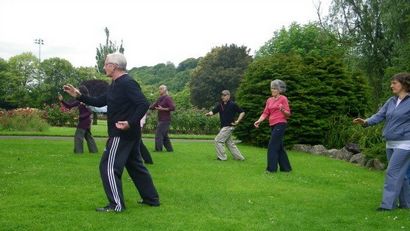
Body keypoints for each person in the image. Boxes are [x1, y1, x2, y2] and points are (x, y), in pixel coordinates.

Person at [63, 53, 160, 212]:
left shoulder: (127, 83)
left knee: (107, 167)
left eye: (106, 63)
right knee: (136, 166)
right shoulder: (115, 84)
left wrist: (129, 122)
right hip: (130, 135)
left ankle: (116, 205)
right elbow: (99, 101)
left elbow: (143, 104)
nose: (104, 66)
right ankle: (152, 199)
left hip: (122, 134)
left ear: (114, 66)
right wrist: (79, 96)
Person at [353, 72, 410, 211]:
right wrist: (365, 122)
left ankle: (387, 206)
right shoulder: (391, 101)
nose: (391, 86)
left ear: (404, 84)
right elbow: (379, 116)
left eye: (394, 83)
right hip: (390, 142)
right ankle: (406, 204)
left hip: (405, 143)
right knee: (402, 175)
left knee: (392, 172)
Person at [254, 79, 292, 173]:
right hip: (272, 125)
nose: (272, 90)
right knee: (279, 147)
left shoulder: (283, 98)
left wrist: (282, 110)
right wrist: (259, 121)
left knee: (272, 146)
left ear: (279, 90)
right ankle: (286, 169)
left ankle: (271, 169)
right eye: (272, 88)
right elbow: (265, 113)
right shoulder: (269, 100)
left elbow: (288, 114)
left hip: (281, 123)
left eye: (275, 88)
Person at [205, 90, 245, 161]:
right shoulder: (220, 105)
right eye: (222, 95)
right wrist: (209, 114)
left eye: (224, 95)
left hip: (229, 126)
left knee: (217, 140)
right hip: (223, 127)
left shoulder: (233, 104)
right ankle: (239, 158)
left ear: (229, 96)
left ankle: (222, 157)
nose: (222, 97)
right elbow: (213, 111)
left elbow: (242, 112)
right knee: (230, 144)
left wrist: (238, 121)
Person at [58, 85, 98, 154]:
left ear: (81, 92)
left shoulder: (87, 100)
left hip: (84, 121)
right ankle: (94, 151)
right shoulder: (80, 100)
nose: (76, 91)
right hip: (85, 121)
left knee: (78, 136)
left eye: (78, 90)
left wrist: (80, 117)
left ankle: (78, 152)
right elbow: (69, 106)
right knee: (88, 136)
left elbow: (89, 111)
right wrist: (62, 100)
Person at [149, 85, 175, 152]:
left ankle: (158, 149)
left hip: (165, 120)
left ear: (165, 90)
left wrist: (162, 109)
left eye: (161, 89)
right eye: (159, 89)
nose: (159, 90)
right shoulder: (160, 98)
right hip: (161, 119)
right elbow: (153, 106)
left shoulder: (168, 98)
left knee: (159, 134)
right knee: (165, 136)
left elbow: (172, 108)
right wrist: (144, 105)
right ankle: (170, 150)